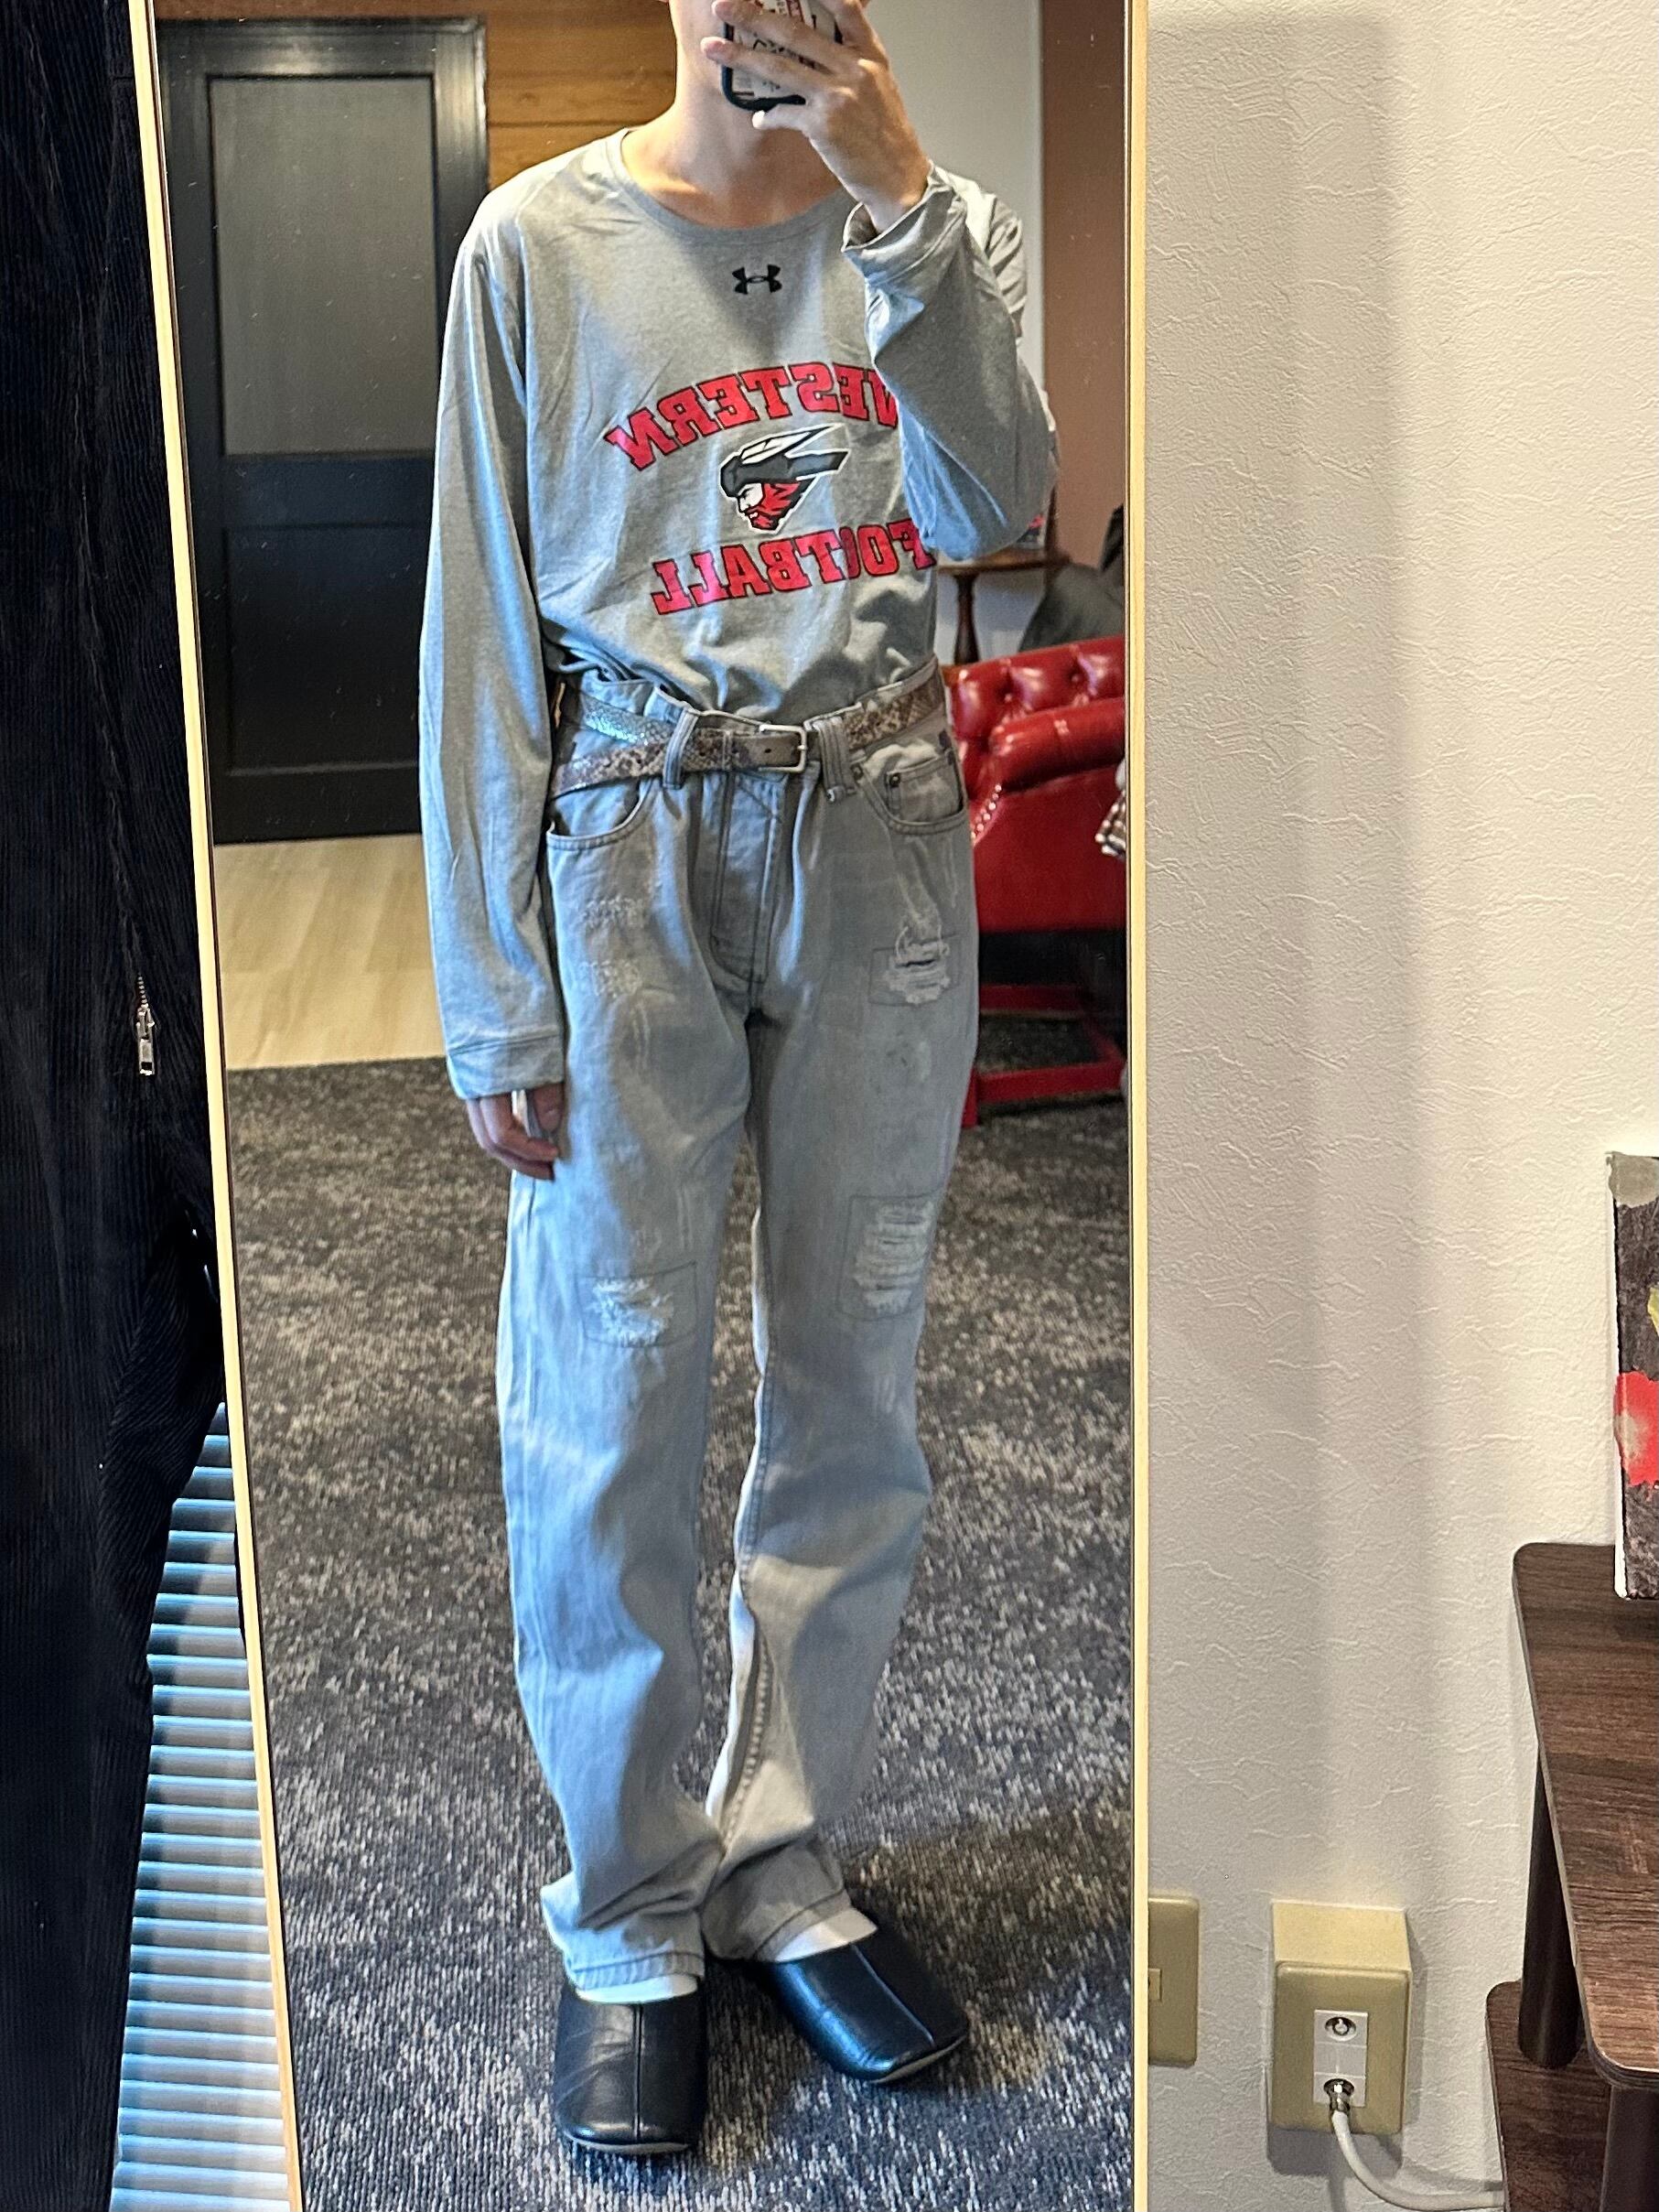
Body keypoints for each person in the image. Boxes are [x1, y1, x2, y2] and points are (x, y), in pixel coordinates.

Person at [418, 0, 1056, 2159]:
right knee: (607, 1387)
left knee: (853, 1382)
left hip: (876, 825)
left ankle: (780, 1859)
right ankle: (625, 1914)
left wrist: (900, 214)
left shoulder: (940, 226)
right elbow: (480, 626)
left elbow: (996, 499)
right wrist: (492, 984)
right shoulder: (537, 247)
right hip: (626, 851)